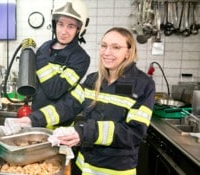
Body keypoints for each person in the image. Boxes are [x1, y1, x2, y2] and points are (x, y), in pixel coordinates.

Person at [11, 27, 155, 174]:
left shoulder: (143, 84)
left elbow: (133, 132)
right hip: (82, 166)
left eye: (116, 47)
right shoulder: (93, 79)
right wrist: (32, 120)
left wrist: (84, 132)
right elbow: (67, 106)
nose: (107, 52)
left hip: (114, 170)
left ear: (128, 52)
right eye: (104, 46)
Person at [31, 0, 90, 117]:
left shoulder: (81, 58)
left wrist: (39, 57)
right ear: (55, 24)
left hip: (60, 125)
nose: (64, 32)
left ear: (79, 29)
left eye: (71, 26)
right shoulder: (45, 46)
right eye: (61, 24)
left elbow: (54, 91)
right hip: (35, 119)